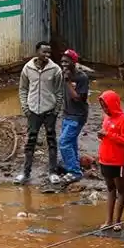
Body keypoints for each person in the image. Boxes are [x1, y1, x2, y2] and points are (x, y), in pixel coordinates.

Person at [16, 41, 63, 184]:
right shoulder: (27, 68)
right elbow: (23, 89)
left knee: (51, 141)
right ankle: (26, 173)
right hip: (33, 111)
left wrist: (56, 110)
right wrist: (25, 107)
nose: (47, 55)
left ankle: (52, 173)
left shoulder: (55, 69)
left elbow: (59, 92)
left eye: (49, 52)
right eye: (44, 52)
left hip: (49, 111)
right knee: (30, 142)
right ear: (37, 52)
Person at [96, 90, 124, 230]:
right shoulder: (106, 118)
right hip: (105, 159)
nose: (105, 109)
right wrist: (102, 135)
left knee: (120, 190)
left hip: (118, 161)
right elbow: (106, 135)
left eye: (106, 106)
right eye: (103, 107)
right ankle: (108, 220)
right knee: (110, 189)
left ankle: (117, 221)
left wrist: (108, 134)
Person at [56, 49, 88, 184]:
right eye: (62, 61)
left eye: (66, 61)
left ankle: (74, 171)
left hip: (78, 115)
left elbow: (78, 98)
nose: (63, 64)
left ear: (73, 62)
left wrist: (68, 82)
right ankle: (74, 165)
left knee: (63, 143)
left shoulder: (82, 77)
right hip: (67, 114)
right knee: (71, 142)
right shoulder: (64, 75)